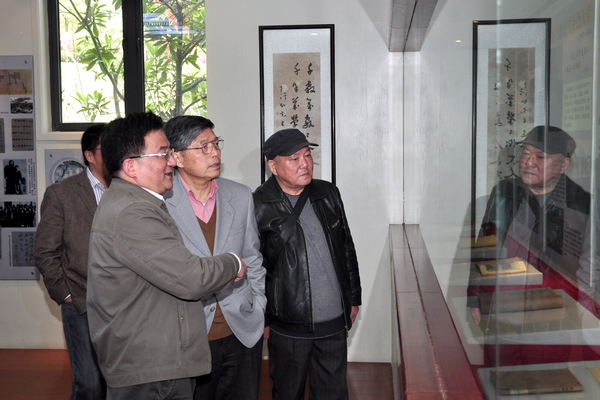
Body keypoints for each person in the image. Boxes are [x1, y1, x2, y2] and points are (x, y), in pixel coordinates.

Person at [86, 112, 247, 400]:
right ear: (131, 166)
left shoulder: (137, 203)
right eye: (163, 154)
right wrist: (233, 263)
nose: (172, 161)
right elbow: (191, 278)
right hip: (150, 371)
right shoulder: (132, 212)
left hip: (156, 364)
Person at [253, 128, 362, 400]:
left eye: (307, 155)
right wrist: (262, 317)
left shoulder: (328, 193)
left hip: (334, 320)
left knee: (333, 393)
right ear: (273, 166)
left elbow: (346, 247)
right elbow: (255, 268)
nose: (305, 164)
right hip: (288, 324)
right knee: (288, 392)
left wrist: (353, 297)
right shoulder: (258, 205)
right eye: (294, 159)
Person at [163, 115, 266, 400]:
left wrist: (259, 305)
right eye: (203, 146)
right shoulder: (161, 204)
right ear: (177, 157)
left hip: (242, 331)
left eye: (216, 144)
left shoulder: (240, 195)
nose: (215, 152)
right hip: (189, 337)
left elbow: (252, 256)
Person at [469, 125, 591, 325]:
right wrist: (475, 297)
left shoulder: (581, 205)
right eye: (526, 153)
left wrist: (585, 312)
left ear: (563, 165)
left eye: (540, 157)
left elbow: (590, 267)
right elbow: (484, 249)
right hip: (501, 307)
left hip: (551, 314)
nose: (529, 162)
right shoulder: (504, 192)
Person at [34, 123, 111, 400]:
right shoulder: (62, 193)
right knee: (90, 384)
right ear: (89, 155)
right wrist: (66, 294)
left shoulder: (129, 189)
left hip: (126, 302)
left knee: (121, 382)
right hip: (81, 301)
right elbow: (45, 251)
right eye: (107, 148)